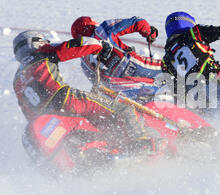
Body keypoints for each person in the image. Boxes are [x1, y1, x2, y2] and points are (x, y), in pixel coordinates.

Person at [12, 30, 146, 149]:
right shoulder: (41, 52)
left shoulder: (17, 79)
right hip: (66, 99)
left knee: (94, 123)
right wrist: (100, 46)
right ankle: (141, 144)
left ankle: (107, 148)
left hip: (48, 116)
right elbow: (79, 45)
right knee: (123, 109)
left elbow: (27, 111)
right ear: (36, 42)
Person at [71, 16, 163, 79]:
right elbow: (137, 22)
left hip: (116, 84)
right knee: (170, 68)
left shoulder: (84, 60)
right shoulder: (102, 29)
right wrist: (150, 32)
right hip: (132, 65)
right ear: (91, 24)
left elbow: (95, 81)